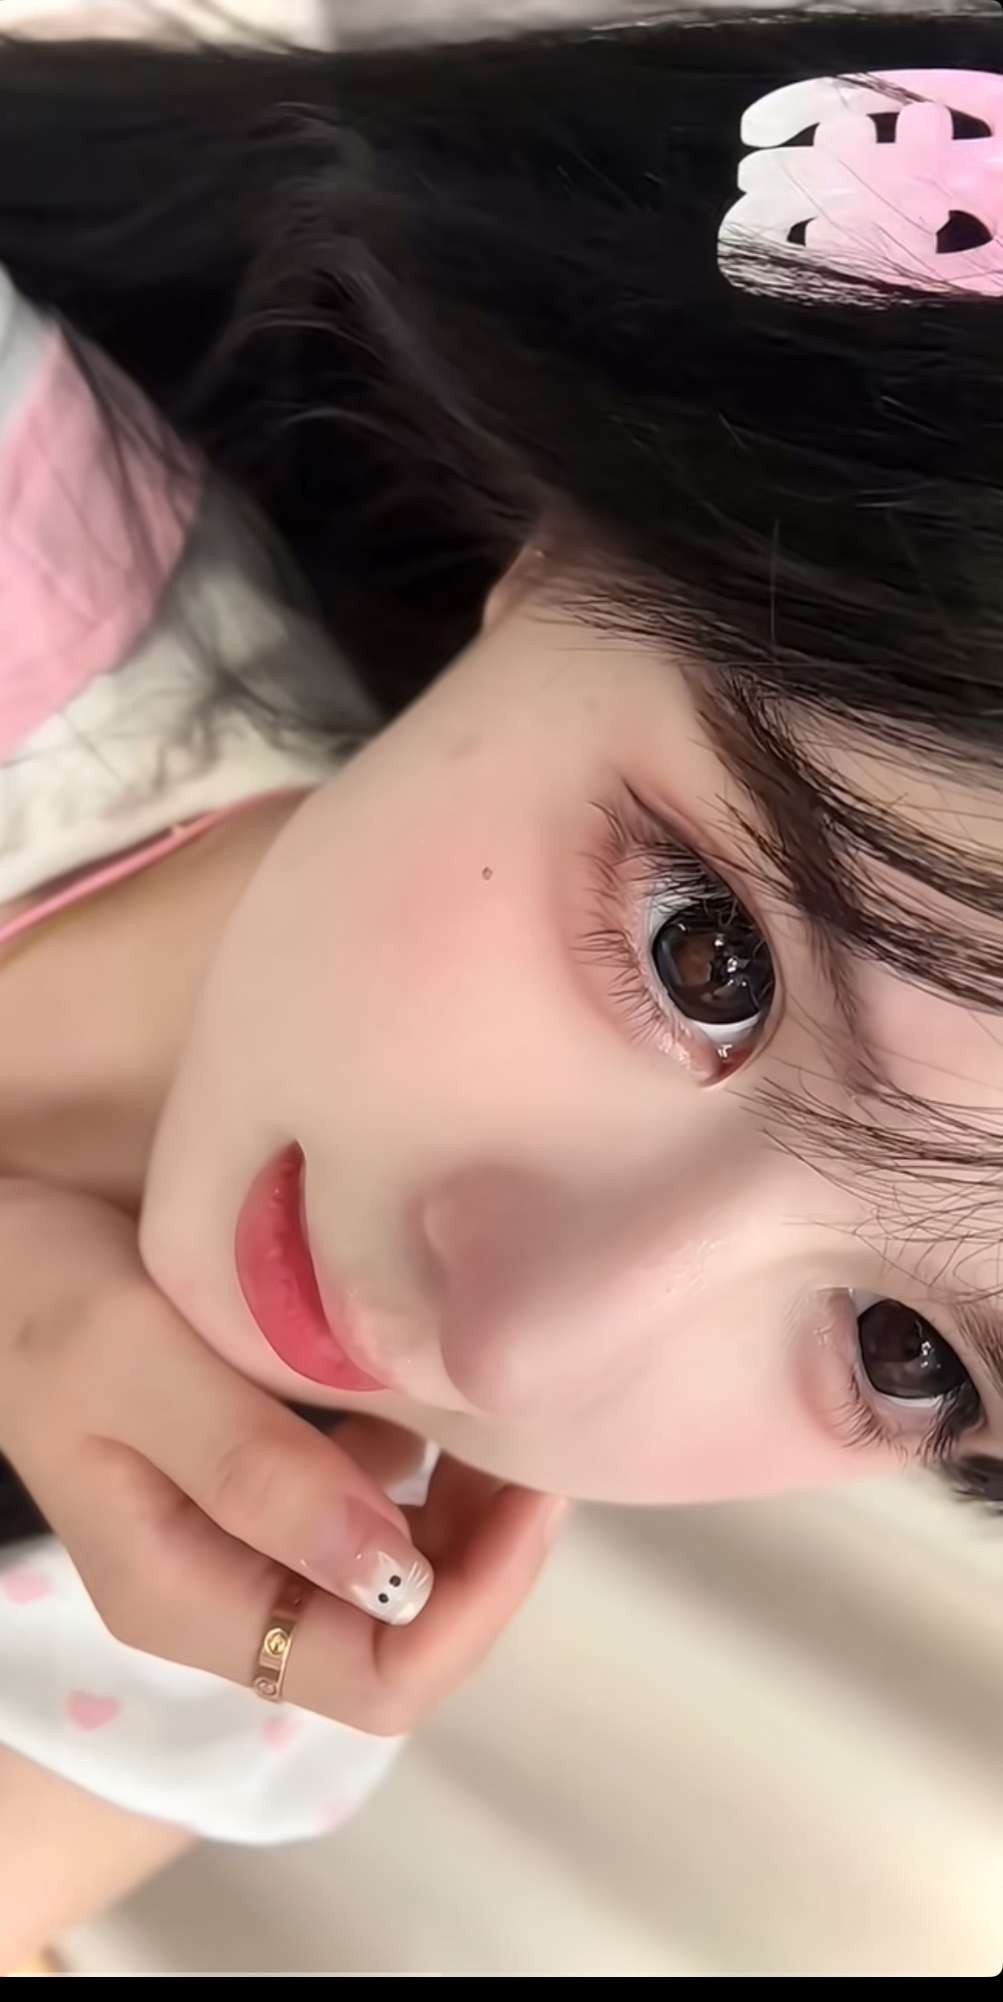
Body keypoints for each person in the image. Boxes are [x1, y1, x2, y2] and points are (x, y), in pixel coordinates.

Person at [1, 5, 1002, 1969]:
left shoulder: (209, 1638)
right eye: (705, 955)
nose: (524, 1342)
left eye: (913, 1357)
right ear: (584, 538)